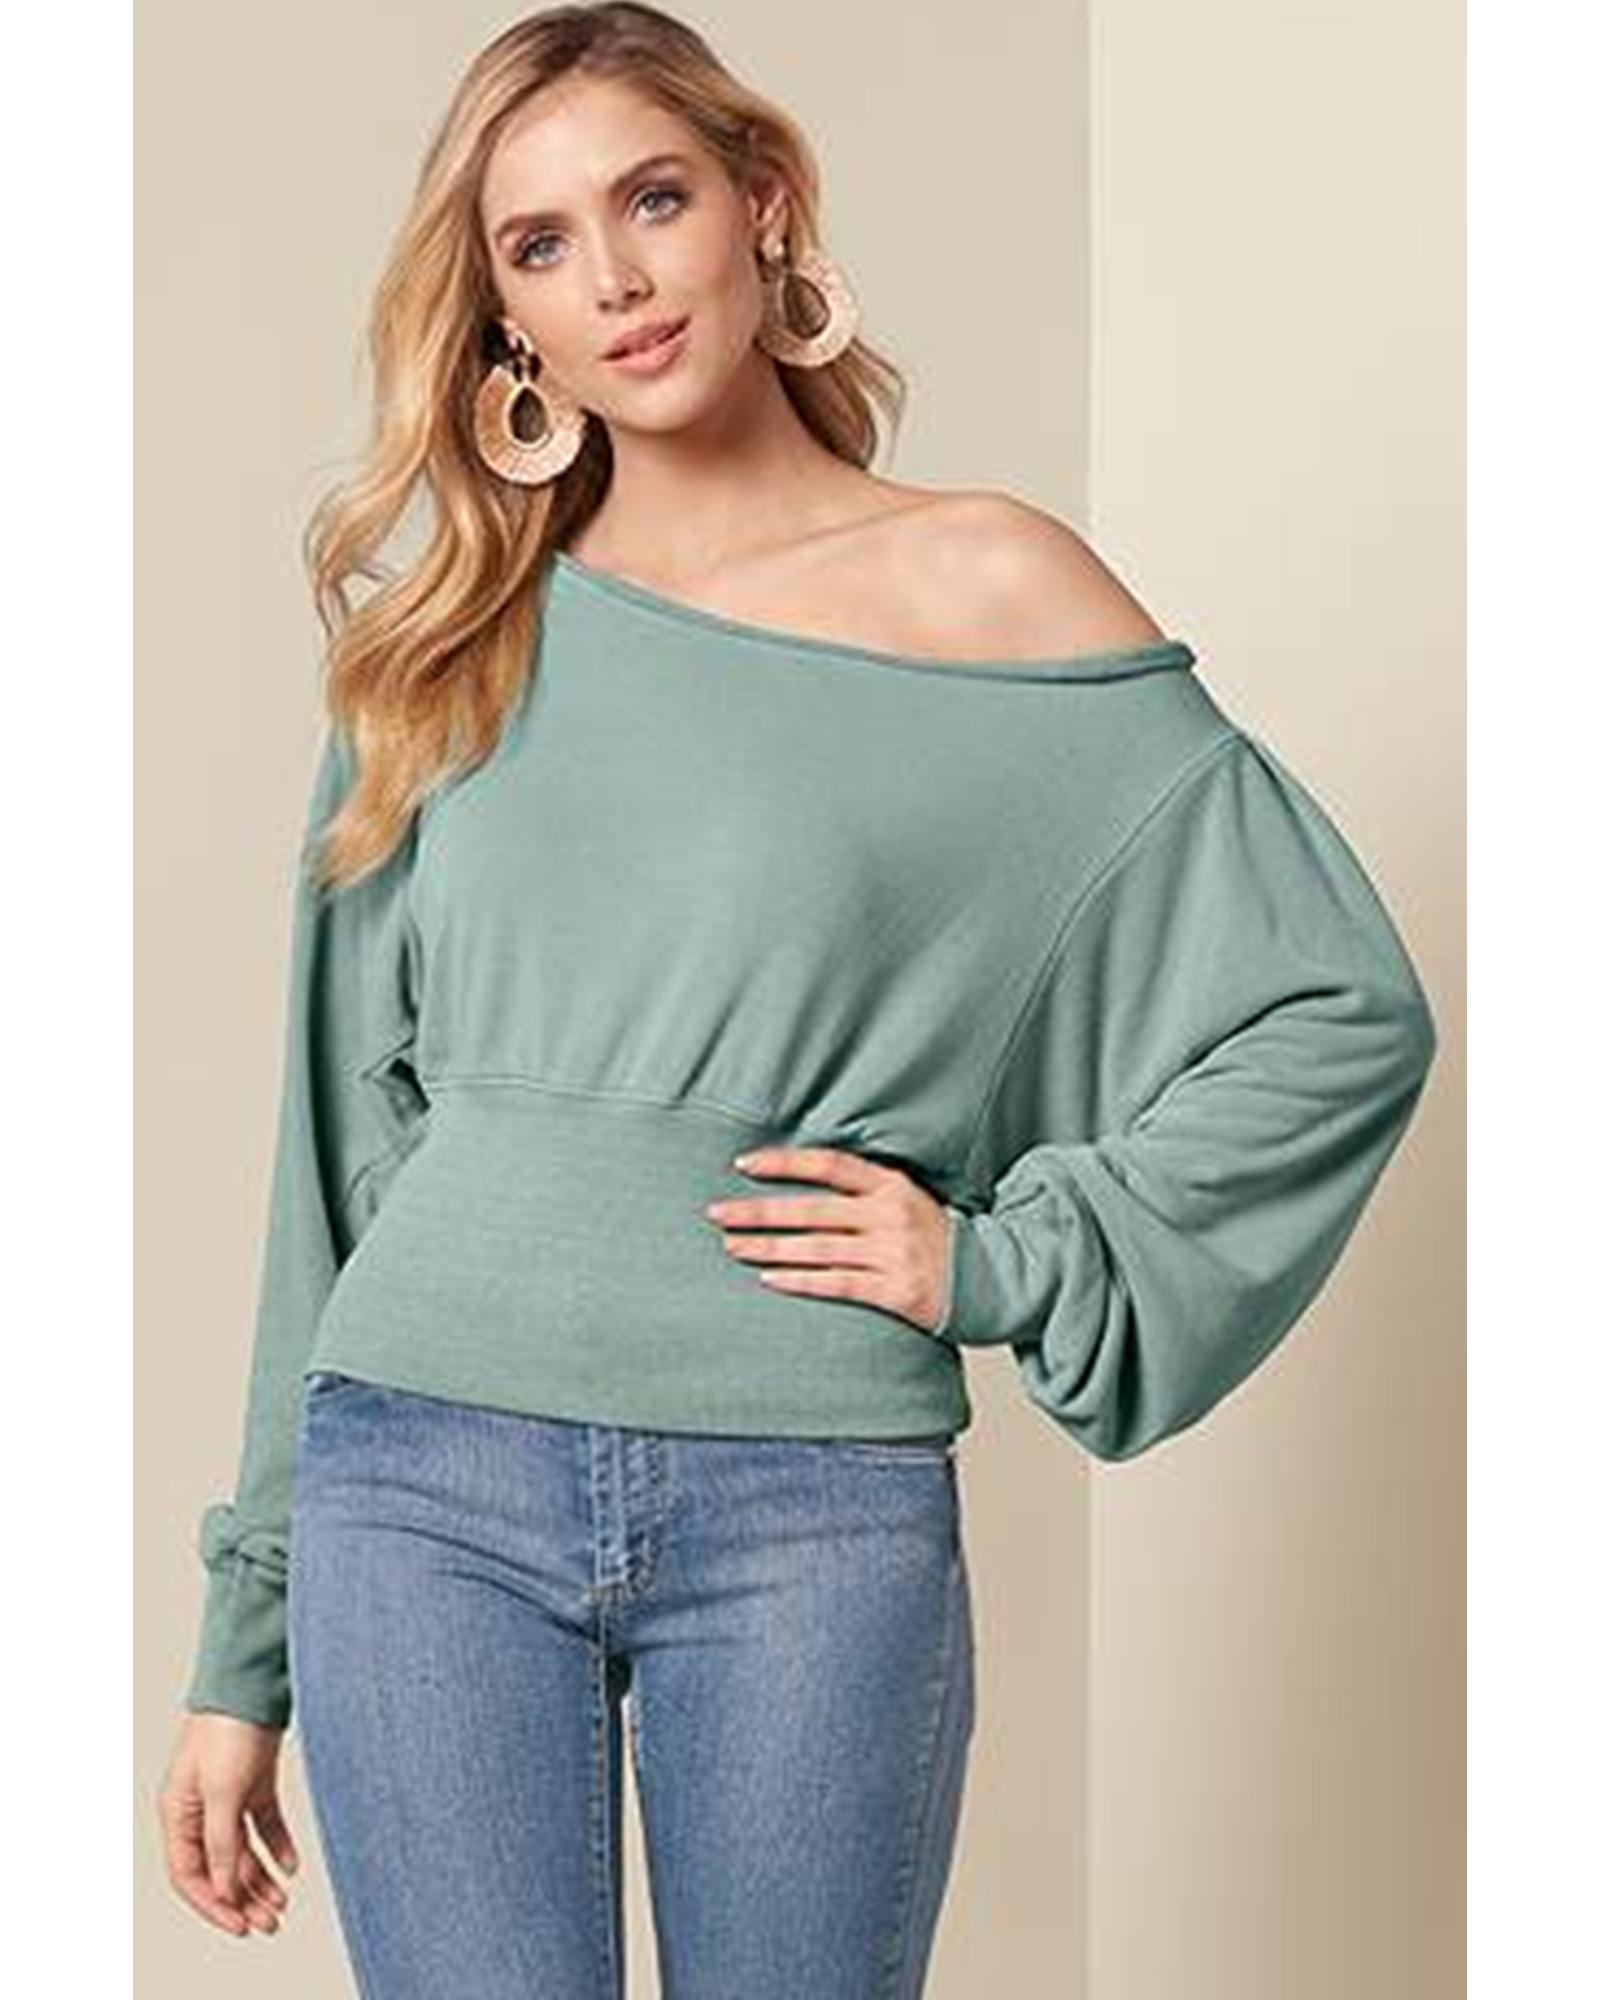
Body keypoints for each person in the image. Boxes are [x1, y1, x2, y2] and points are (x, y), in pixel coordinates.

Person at [155, 6, 1438, 1995]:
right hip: (417, 1485)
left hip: (809, 1501)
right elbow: (331, 1170)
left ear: (763, 204)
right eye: (541, 244)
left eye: (654, 199)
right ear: (504, 322)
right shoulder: (446, 644)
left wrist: (1001, 1259)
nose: (617, 278)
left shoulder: (989, 591)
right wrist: (241, 1654)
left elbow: (1335, 1006)